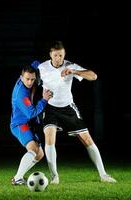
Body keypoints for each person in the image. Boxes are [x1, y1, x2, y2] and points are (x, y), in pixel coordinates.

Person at [37, 40, 117, 184]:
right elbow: (31, 81)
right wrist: (39, 100)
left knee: (87, 139)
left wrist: (74, 71)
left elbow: (94, 76)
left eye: (60, 55)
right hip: (50, 108)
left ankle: (103, 174)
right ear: (50, 55)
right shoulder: (42, 67)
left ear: (64, 54)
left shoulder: (70, 65)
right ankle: (54, 176)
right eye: (55, 55)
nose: (58, 58)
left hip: (68, 108)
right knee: (49, 138)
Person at [10, 65, 52, 185]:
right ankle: (18, 178)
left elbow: (35, 64)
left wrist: (44, 66)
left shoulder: (26, 78)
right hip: (20, 124)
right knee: (33, 149)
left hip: (27, 124)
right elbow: (31, 113)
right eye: (27, 79)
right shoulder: (21, 94)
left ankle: (18, 177)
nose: (30, 82)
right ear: (21, 77)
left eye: (32, 79)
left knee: (39, 154)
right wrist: (44, 100)